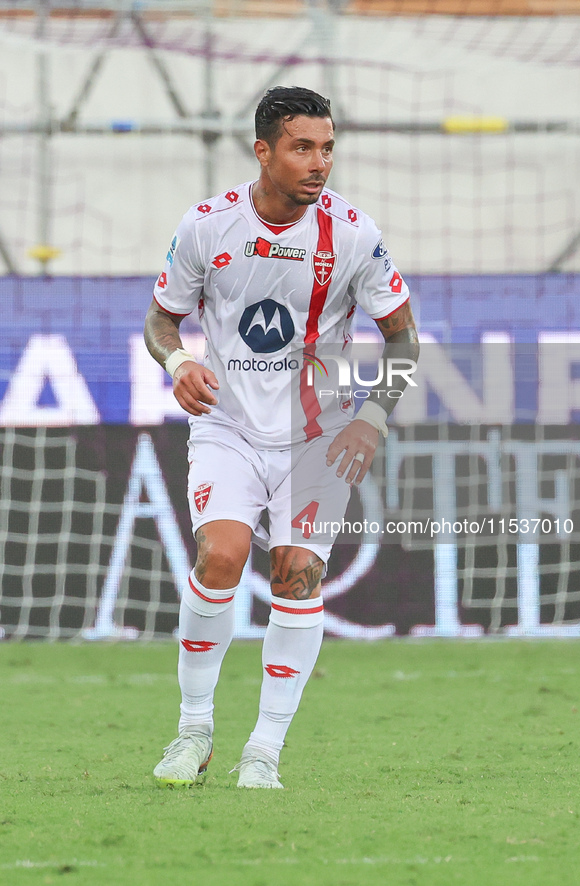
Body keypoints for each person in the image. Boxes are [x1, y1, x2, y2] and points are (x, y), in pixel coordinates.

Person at [144, 85, 419, 789]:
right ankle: (193, 731)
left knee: (299, 573)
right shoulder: (207, 226)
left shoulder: (354, 234)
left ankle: (262, 750)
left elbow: (402, 339)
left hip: (317, 436)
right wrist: (177, 362)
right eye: (302, 147)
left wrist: (372, 415)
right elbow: (162, 318)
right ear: (262, 150)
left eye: (327, 147)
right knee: (222, 556)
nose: (318, 162)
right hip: (228, 426)